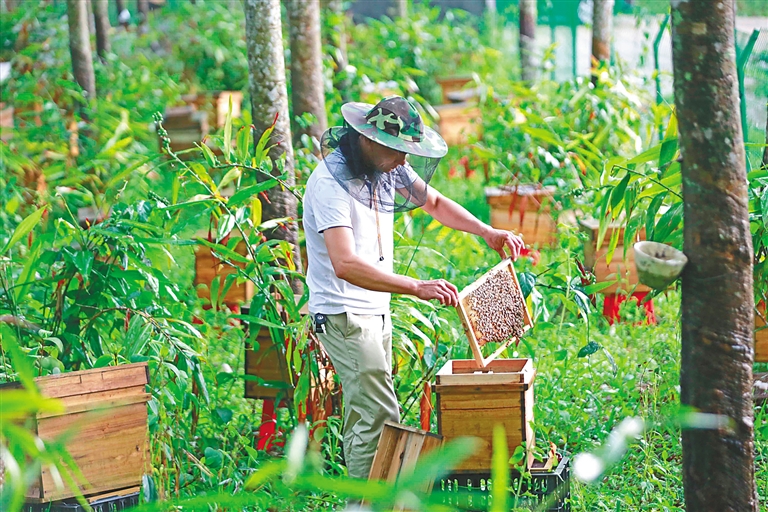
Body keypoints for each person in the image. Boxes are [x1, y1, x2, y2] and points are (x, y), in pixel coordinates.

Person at [302, 96, 524, 479]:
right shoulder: (329, 184)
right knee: (375, 419)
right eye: (398, 151)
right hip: (346, 314)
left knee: (372, 414)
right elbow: (345, 264)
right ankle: (364, 506)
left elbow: (434, 202)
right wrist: (416, 286)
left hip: (374, 310)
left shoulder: (386, 167)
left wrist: (487, 232)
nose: (405, 161)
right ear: (369, 141)